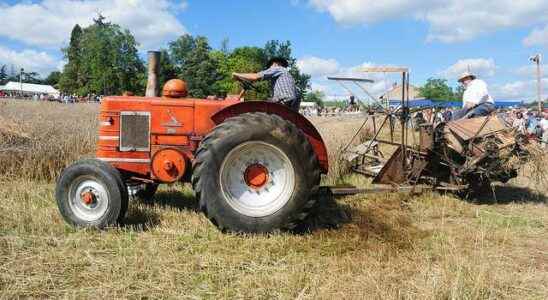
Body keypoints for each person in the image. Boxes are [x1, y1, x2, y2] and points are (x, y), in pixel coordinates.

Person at [232, 57, 300, 111]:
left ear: (275, 64)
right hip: (292, 105)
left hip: (282, 100)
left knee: (251, 110)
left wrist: (236, 74)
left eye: (270, 66)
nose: (269, 68)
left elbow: (255, 77)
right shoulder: (287, 75)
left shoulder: (278, 68)